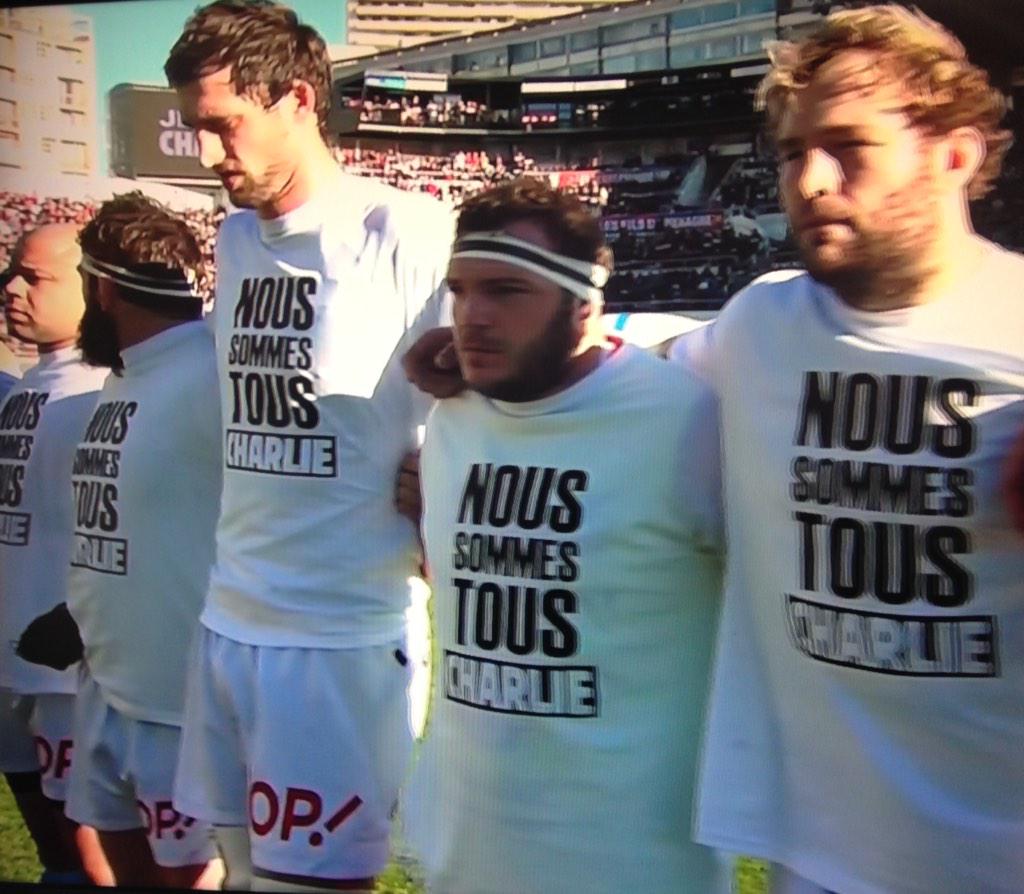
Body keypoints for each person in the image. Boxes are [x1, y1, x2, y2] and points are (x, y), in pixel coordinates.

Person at [674, 6, 1024, 892]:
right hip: (819, 860)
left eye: (849, 146)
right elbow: (613, 386)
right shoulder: (759, 327)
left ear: (956, 154)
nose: (812, 179)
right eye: (792, 152)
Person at [164, 2, 453, 890]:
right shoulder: (237, 235)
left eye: (224, 127)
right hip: (228, 618)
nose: (209, 156)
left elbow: (477, 399)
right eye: (195, 129)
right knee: (236, 876)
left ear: (296, 98)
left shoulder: (405, 230)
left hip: (340, 636)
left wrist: (444, 472)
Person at [401, 178, 724, 894]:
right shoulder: (452, 420)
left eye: (507, 291)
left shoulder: (687, 420)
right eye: (460, 290)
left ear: (585, 300)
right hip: (467, 856)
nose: (472, 317)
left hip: (636, 865)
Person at [31, 193, 222, 889]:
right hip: (107, 684)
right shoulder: (124, 376)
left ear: (102, 288)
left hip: (182, 708)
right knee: (100, 864)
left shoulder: (213, 371)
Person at [0, 223, 111, 886]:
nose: (12, 289)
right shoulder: (23, 386)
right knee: (52, 851)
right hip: (10, 652)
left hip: (67, 663)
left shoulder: (104, 388)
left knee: (93, 848)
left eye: (33, 277)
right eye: (11, 272)